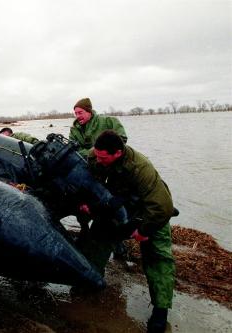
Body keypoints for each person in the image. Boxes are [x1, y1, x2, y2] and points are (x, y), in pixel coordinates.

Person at [80, 130, 175, 333]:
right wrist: (91, 205)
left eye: (103, 158)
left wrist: (143, 230)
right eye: (96, 155)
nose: (98, 160)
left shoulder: (140, 167)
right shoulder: (95, 155)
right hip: (117, 205)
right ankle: (90, 281)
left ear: (118, 153)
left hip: (150, 211)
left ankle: (161, 310)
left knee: (158, 257)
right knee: (96, 240)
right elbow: (89, 181)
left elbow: (162, 207)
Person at [69, 97, 129, 259]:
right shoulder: (75, 130)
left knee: (111, 204)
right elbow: (72, 151)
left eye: (80, 112)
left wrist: (95, 152)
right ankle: (85, 231)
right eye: (75, 113)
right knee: (83, 204)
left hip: (110, 169)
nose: (77, 116)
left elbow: (121, 140)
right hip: (88, 172)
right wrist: (90, 154)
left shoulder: (108, 122)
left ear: (89, 111)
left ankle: (118, 241)